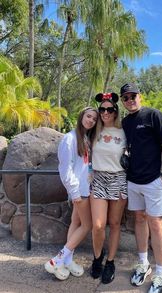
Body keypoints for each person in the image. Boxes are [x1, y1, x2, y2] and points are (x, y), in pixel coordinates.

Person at [120, 83, 162, 293]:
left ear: (140, 97)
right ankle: (144, 263)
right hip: (133, 180)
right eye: (126, 97)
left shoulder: (154, 115)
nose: (130, 100)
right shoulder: (125, 122)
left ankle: (160, 273)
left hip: (153, 180)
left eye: (133, 95)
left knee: (156, 224)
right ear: (123, 102)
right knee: (139, 219)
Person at [44, 107, 98, 281]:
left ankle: (67, 260)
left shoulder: (86, 139)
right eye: (88, 116)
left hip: (85, 189)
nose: (91, 120)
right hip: (79, 191)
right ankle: (57, 260)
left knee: (76, 222)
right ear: (81, 116)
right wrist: (74, 192)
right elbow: (65, 170)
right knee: (87, 225)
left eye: (94, 119)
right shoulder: (69, 139)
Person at [90, 92, 127, 284]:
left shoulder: (124, 131)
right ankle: (97, 257)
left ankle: (110, 262)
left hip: (119, 179)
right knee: (98, 225)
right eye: (102, 109)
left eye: (109, 109)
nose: (105, 112)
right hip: (98, 178)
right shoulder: (94, 130)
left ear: (115, 111)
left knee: (114, 224)